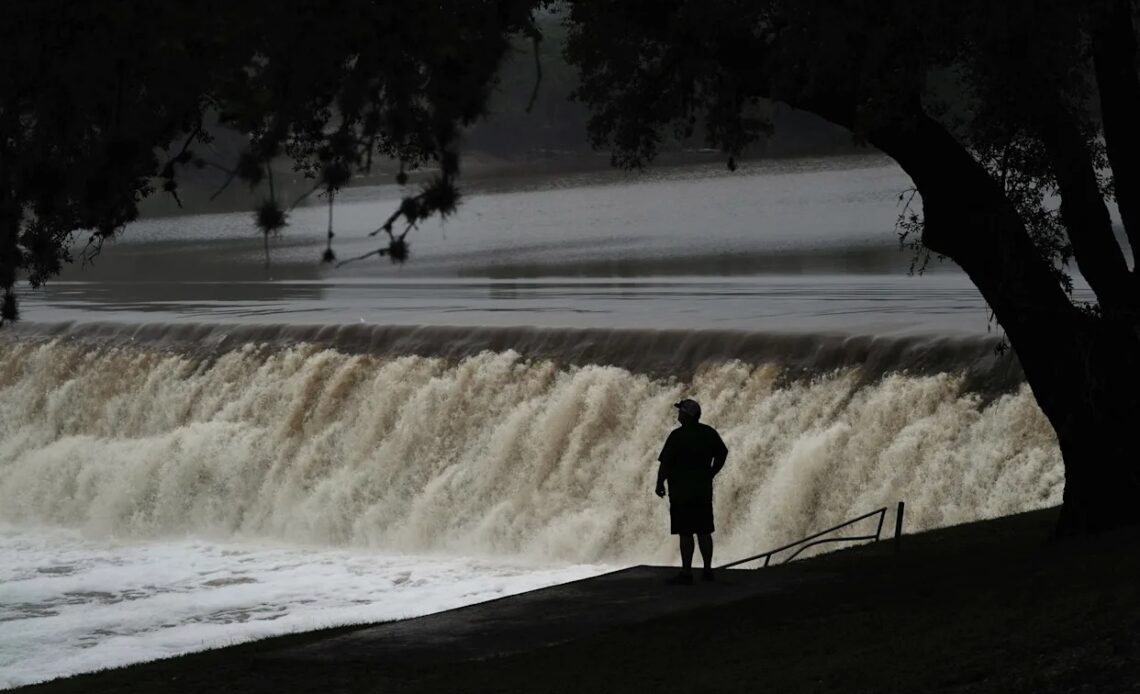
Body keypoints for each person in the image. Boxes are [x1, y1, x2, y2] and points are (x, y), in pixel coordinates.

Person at [655, 398, 728, 584]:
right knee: (704, 531)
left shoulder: (677, 436)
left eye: (681, 412)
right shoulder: (708, 433)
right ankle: (707, 570)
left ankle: (686, 572)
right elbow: (722, 452)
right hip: (702, 490)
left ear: (687, 416)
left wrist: (659, 483)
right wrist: (712, 472)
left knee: (685, 533)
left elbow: (666, 463)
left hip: (681, 492)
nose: (678, 414)